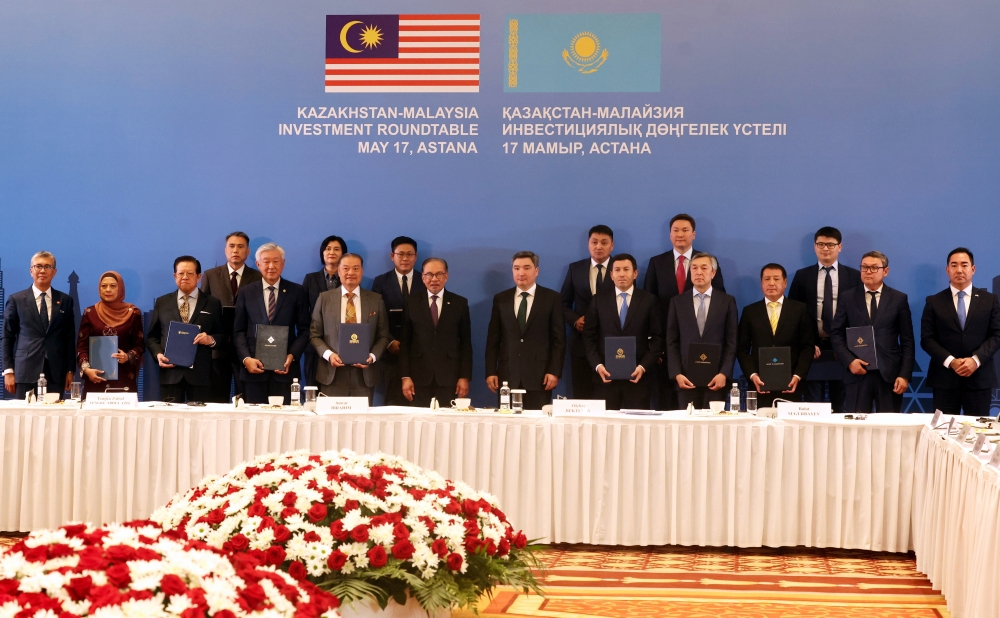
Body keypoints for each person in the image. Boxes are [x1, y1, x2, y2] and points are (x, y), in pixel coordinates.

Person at [644, 214, 726, 410]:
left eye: (685, 230)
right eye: (675, 230)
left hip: (704, 345)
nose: (680, 234)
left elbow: (719, 302)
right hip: (668, 345)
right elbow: (649, 304)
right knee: (669, 400)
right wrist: (655, 342)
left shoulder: (708, 262)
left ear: (694, 234)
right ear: (670, 234)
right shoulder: (656, 263)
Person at [830, 251, 914, 412]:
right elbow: (836, 334)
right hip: (857, 373)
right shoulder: (847, 298)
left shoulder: (898, 299)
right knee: (857, 429)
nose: (868, 271)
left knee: (889, 429)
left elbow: (907, 340)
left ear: (886, 271)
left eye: (874, 268)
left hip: (889, 375)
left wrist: (904, 375)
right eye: (864, 267)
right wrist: (849, 361)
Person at [788, 226, 861, 412]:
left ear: (840, 247)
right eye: (821, 244)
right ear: (814, 247)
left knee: (842, 404)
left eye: (830, 244)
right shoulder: (802, 276)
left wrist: (845, 346)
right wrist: (807, 343)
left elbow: (859, 315)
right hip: (814, 348)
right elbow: (794, 313)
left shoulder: (854, 276)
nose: (825, 248)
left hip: (844, 349)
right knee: (814, 405)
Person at [920, 248, 1000, 416]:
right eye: (954, 265)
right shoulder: (934, 301)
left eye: (964, 265)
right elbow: (927, 339)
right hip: (945, 379)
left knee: (978, 433)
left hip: (979, 378)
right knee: (943, 434)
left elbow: (997, 335)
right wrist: (951, 361)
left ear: (973, 269)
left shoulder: (989, 300)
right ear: (947, 269)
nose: (959, 270)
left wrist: (975, 360)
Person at [485, 251, 566, 410]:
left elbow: (559, 340)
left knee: (537, 428)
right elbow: (493, 338)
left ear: (536, 271)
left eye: (526, 268)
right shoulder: (501, 299)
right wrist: (490, 371)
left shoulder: (552, 298)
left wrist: (554, 371)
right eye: (516, 268)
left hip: (540, 375)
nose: (521, 273)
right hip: (508, 375)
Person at [232, 243, 311, 405]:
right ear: (258, 264)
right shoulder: (246, 292)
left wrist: (292, 356)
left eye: (276, 261)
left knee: (285, 423)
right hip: (253, 371)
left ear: (283, 263)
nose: (271, 266)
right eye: (266, 261)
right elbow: (238, 331)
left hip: (284, 371)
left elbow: (305, 330)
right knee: (254, 423)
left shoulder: (297, 291)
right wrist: (246, 358)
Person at [583, 254, 663, 410]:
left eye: (626, 269)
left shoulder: (649, 300)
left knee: (637, 430)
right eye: (617, 270)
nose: (621, 274)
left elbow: (658, 338)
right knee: (605, 430)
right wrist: (598, 365)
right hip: (605, 377)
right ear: (611, 275)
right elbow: (589, 337)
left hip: (638, 378)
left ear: (635, 273)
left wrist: (643, 366)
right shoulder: (598, 300)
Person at [309, 253, 391, 401]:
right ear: (338, 271)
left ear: (362, 271)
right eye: (346, 268)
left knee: (362, 423)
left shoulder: (375, 299)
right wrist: (329, 355)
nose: (351, 273)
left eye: (356, 268)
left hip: (364, 376)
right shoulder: (324, 298)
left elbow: (383, 336)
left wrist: (371, 357)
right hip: (332, 373)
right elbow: (314, 335)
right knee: (331, 423)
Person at [146, 256, 225, 403]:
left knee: (200, 422)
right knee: (170, 422)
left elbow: (222, 335)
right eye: (181, 273)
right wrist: (158, 355)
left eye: (190, 273)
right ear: (175, 275)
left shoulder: (212, 303)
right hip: (170, 373)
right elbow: (152, 337)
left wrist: (210, 340)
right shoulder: (162, 302)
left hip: (200, 375)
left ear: (199, 276)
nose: (185, 277)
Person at [665, 253, 739, 409]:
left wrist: (724, 373)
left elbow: (732, 341)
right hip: (685, 378)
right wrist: (677, 374)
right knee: (687, 430)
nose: (698, 272)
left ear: (713, 273)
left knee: (713, 430)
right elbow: (671, 341)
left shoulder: (727, 301)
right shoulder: (677, 302)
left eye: (704, 268)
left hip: (716, 379)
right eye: (694, 268)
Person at [737, 264, 816, 407]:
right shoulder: (750, 311)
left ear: (785, 282)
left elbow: (807, 347)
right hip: (759, 385)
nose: (771, 283)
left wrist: (797, 376)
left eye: (776, 279)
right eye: (766, 279)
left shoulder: (800, 310)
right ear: (761, 283)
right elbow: (742, 349)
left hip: (791, 385)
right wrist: (753, 375)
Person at [2, 251, 77, 399]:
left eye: (48, 266)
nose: (42, 270)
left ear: (54, 272)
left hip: (56, 372)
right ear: (31, 271)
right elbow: (7, 337)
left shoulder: (65, 300)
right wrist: (8, 371)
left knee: (55, 419)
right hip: (25, 371)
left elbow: (69, 338)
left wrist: (70, 370)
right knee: (23, 420)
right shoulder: (16, 300)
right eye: (38, 266)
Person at [400, 258, 473, 407]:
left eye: (439, 274)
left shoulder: (460, 303)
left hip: (448, 377)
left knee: (447, 425)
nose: (434, 279)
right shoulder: (411, 302)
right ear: (422, 277)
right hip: (418, 376)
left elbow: (466, 343)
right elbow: (405, 342)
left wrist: (464, 377)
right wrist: (405, 376)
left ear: (446, 276)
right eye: (429, 274)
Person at [200, 232, 262, 402]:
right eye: (232, 246)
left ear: (248, 251)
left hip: (247, 348)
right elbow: (203, 309)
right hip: (217, 348)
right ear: (225, 250)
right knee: (216, 398)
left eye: (240, 246)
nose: (236, 250)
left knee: (247, 399)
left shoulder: (257, 277)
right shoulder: (210, 275)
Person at [561, 225, 616, 399]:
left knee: (609, 399)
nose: (599, 246)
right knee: (582, 396)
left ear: (612, 246)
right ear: (588, 244)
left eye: (604, 242)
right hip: (581, 343)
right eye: (594, 242)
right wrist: (575, 320)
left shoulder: (621, 268)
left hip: (612, 344)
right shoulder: (575, 269)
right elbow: (562, 303)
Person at [371, 236, 426, 406]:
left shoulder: (425, 280)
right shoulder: (380, 282)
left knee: (419, 404)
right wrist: (389, 341)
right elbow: (376, 318)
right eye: (400, 254)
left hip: (419, 353)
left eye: (410, 254)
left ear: (416, 257)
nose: (405, 258)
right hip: (391, 353)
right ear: (392, 256)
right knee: (393, 404)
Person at [77, 271, 145, 395]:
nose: (108, 290)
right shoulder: (90, 313)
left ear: (120, 288)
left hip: (124, 379)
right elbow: (82, 347)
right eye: (104, 286)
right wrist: (87, 370)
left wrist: (128, 356)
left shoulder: (133, 313)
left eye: (113, 286)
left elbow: (139, 345)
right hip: (96, 378)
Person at [302, 235, 348, 387]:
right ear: (322, 253)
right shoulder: (310, 279)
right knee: (313, 390)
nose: (331, 252)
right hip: (315, 343)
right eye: (328, 249)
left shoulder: (348, 279)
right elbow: (303, 311)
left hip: (343, 342)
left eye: (336, 249)